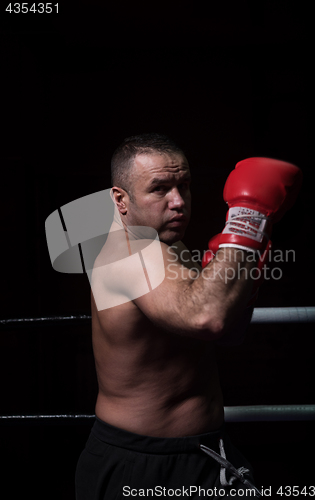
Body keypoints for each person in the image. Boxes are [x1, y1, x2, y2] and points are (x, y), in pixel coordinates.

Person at [75, 133, 302, 499]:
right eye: (159, 189)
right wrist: (247, 217)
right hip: (145, 463)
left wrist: (242, 282)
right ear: (121, 199)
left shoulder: (171, 247)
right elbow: (206, 317)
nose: (178, 202)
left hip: (203, 451)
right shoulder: (131, 253)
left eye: (184, 185)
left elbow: (223, 331)